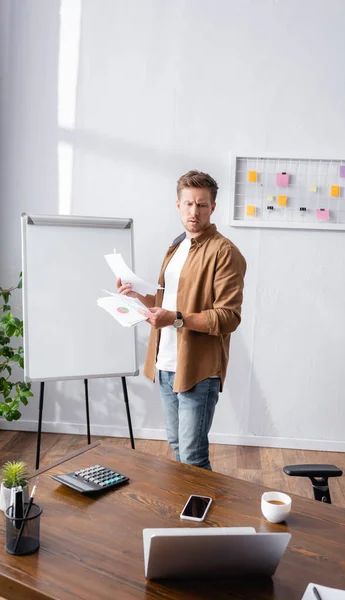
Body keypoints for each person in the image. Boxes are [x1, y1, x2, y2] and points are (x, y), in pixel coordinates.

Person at [118, 170, 246, 470]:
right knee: (178, 448)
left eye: (202, 205)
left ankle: (208, 516)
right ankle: (186, 514)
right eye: (188, 204)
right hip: (166, 364)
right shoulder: (177, 246)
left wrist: (175, 318)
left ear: (213, 208)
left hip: (197, 370)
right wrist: (137, 295)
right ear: (178, 205)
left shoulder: (225, 252)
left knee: (193, 455)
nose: (194, 211)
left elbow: (229, 317)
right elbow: (166, 302)